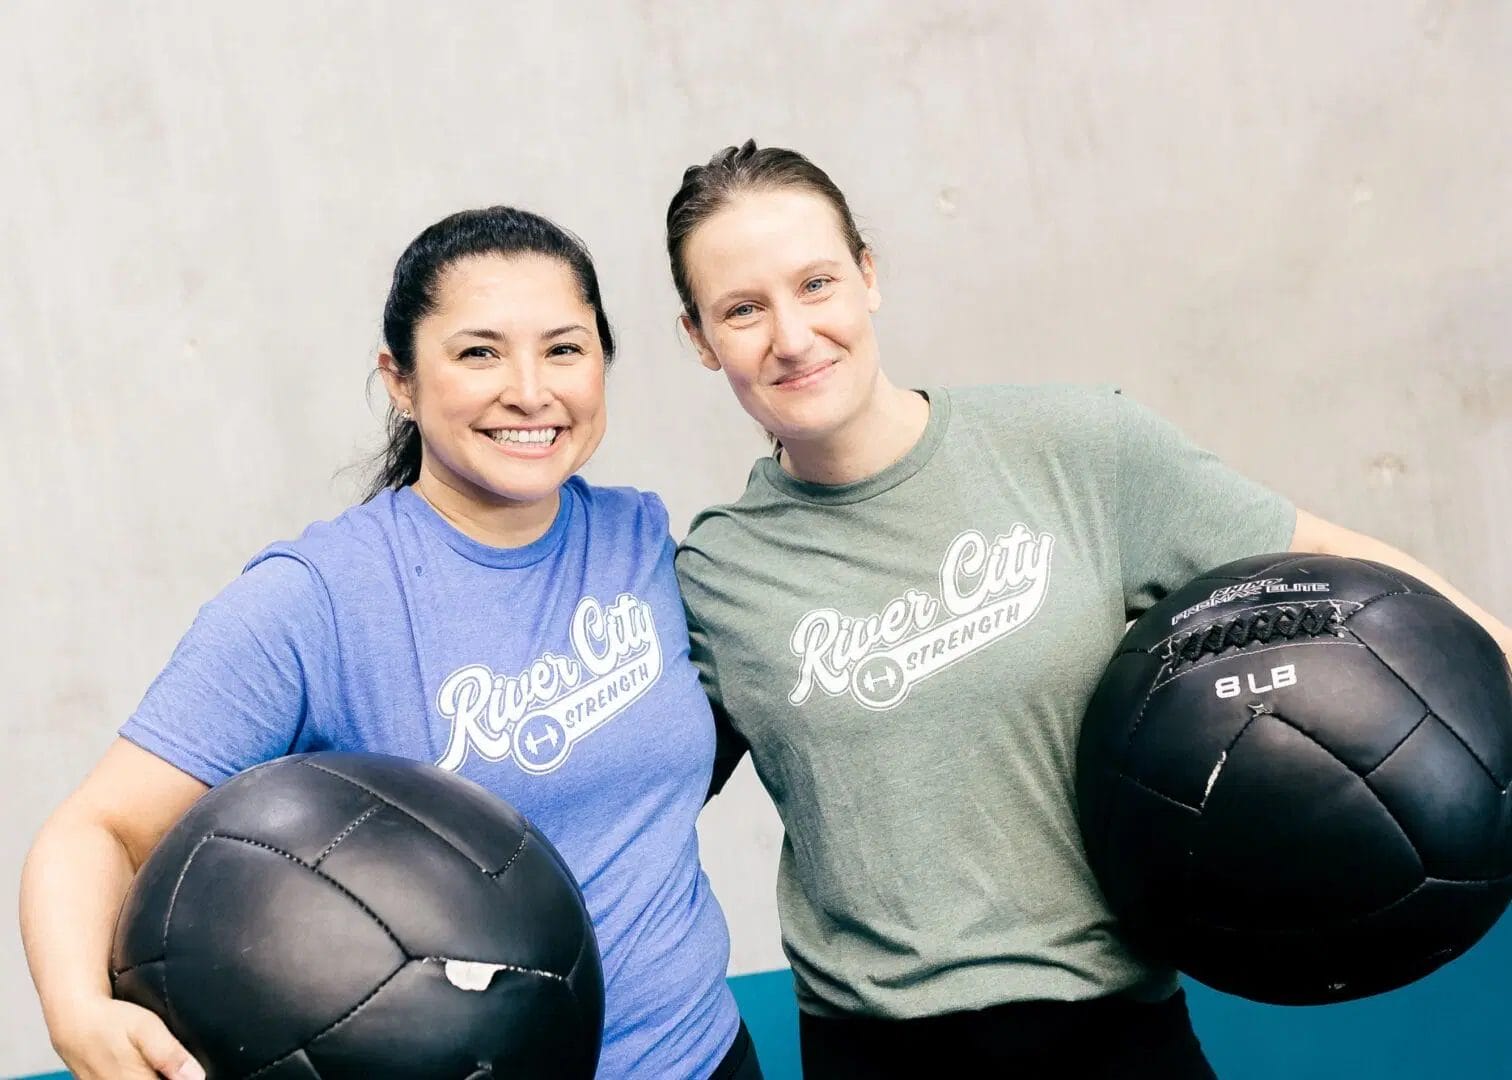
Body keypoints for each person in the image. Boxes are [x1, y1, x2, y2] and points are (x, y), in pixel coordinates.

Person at [664, 141, 1512, 1078]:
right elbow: (628, 787)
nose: (791, 334)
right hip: (872, 1049)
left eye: (815, 283)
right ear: (701, 339)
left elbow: (1336, 568)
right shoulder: (716, 573)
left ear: (869, 277)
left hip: (1112, 1033)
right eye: (743, 309)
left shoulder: (1075, 449)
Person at [20, 206, 761, 1080]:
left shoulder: (636, 541)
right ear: (401, 380)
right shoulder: (319, 598)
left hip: (705, 1053)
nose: (530, 389)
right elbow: (96, 830)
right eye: (479, 352)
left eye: (564, 348)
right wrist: (78, 1015)